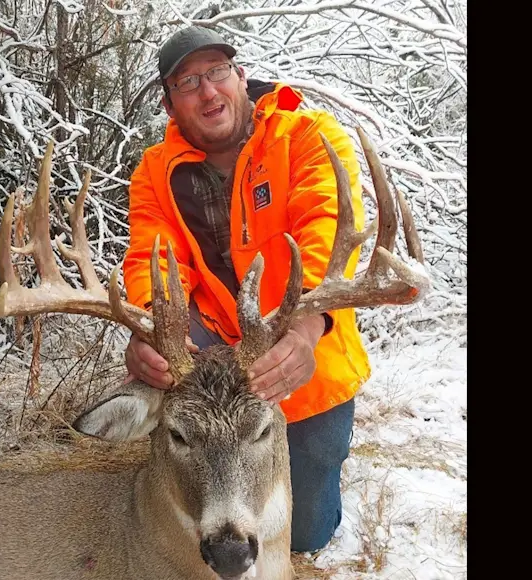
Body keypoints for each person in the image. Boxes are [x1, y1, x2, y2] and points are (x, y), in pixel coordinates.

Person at [121, 25, 371, 555]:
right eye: (188, 83)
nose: (208, 92)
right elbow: (152, 257)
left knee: (304, 535)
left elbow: (327, 226)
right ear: (171, 103)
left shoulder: (304, 135)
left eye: (216, 73)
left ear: (240, 76)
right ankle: (194, 465)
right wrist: (147, 329)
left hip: (301, 353)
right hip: (210, 354)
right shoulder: (155, 172)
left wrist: (305, 331)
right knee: (202, 522)